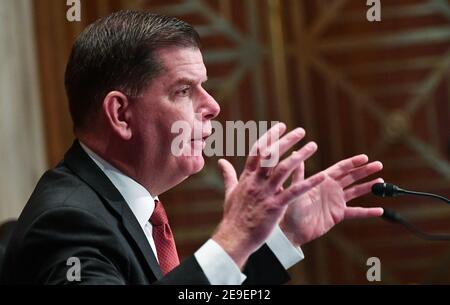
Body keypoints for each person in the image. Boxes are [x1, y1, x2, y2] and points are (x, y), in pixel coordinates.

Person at [0, 11, 384, 285]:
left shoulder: (118, 202)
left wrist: (282, 236)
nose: (213, 106)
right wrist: (233, 237)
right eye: (184, 90)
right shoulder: (67, 220)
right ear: (120, 113)